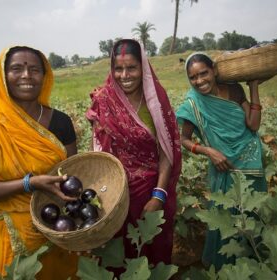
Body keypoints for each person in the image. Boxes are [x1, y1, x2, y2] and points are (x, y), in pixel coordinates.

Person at [0, 46, 79, 279]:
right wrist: (28, 183)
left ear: (44, 77)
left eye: (34, 69)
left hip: (59, 229)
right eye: (16, 69)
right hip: (17, 241)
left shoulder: (61, 122)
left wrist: (80, 228)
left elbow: (72, 180)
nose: (26, 75)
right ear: (3, 76)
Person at [86, 39, 182, 267]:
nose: (124, 75)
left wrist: (158, 196)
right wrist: (104, 196)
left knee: (152, 251)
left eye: (131, 68)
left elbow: (166, 151)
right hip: (115, 195)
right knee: (118, 256)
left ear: (143, 68)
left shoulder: (155, 102)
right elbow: (99, 151)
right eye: (118, 68)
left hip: (150, 192)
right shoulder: (103, 101)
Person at [176, 52, 267, 270]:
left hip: (250, 160)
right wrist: (209, 151)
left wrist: (253, 87)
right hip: (223, 166)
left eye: (203, 73)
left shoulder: (235, 89)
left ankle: (253, 266)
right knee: (226, 218)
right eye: (193, 77)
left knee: (251, 214)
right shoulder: (192, 103)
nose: (199, 81)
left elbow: (253, 125)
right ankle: (227, 269)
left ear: (214, 70)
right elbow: (183, 139)